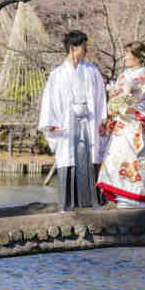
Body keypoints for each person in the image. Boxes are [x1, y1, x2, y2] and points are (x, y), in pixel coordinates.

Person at [38, 30, 107, 212]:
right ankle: (67, 205)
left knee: (91, 157)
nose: (86, 50)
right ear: (72, 48)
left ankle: (94, 203)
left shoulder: (92, 72)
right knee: (68, 158)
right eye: (84, 46)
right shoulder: (57, 75)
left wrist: (103, 121)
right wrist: (51, 125)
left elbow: (101, 99)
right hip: (67, 124)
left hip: (89, 121)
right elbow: (49, 102)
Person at [97, 41, 145, 209]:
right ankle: (122, 195)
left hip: (138, 125)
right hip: (123, 125)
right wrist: (115, 104)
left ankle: (137, 196)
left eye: (128, 54)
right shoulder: (123, 75)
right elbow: (116, 95)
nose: (125, 57)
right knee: (116, 158)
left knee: (138, 160)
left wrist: (137, 109)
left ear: (139, 57)